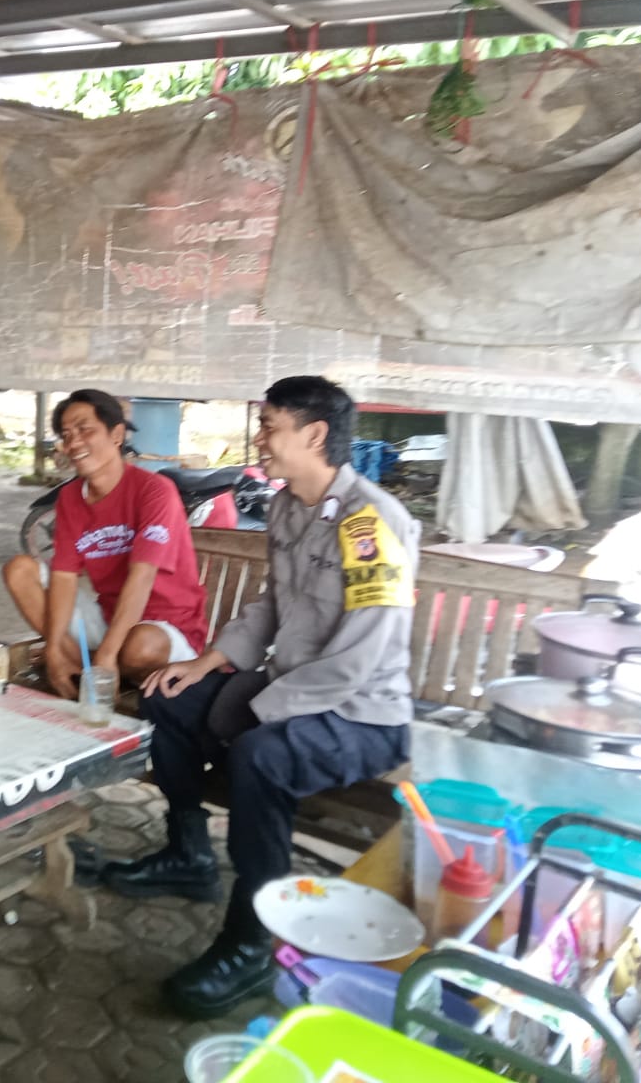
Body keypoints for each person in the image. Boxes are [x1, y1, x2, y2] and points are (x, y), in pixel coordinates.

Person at [104, 376, 416, 1019]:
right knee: (167, 697)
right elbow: (273, 606)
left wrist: (257, 711)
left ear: (315, 435)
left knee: (260, 757)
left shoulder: (371, 523)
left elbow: (359, 658)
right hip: (291, 691)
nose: (259, 438)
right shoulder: (286, 508)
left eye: (270, 426)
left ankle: (252, 941)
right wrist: (205, 664)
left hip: (362, 714)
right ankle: (187, 853)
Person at [2, 389, 207, 697]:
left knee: (139, 647)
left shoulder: (154, 491)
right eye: (66, 435)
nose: (74, 443)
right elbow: (63, 578)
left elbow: (141, 578)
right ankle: (71, 663)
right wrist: (54, 646)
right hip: (109, 618)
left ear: (116, 435)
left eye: (85, 430)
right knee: (19, 570)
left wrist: (107, 655)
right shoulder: (71, 497)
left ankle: (94, 666)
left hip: (168, 629)